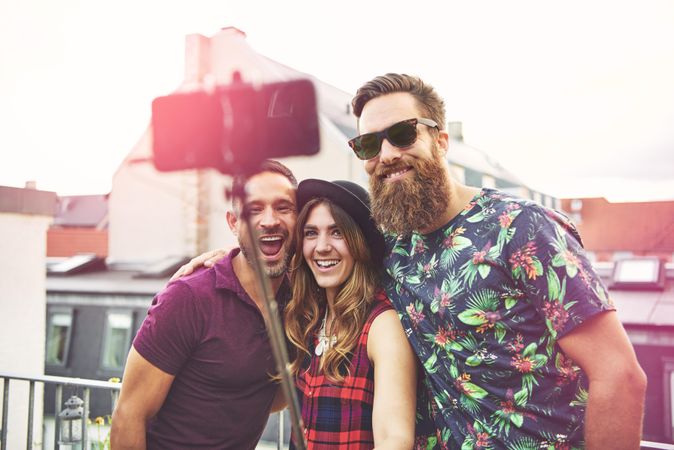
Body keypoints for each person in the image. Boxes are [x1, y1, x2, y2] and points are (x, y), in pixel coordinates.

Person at [175, 73, 648, 449]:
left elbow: (619, 375)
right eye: (368, 144)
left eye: (402, 135)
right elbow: (323, 252)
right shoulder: (395, 243)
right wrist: (234, 253)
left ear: (441, 141)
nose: (386, 155)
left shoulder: (524, 230)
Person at [110, 160, 297, 449]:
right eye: (253, 209)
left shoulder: (300, 297)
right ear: (234, 223)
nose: (269, 220)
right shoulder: (188, 297)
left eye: (283, 207)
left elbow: (266, 396)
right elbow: (129, 415)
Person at [286, 179, 417, 449]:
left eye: (336, 233)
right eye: (311, 233)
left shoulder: (381, 325)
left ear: (359, 243)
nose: (321, 246)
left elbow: (395, 439)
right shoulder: (311, 316)